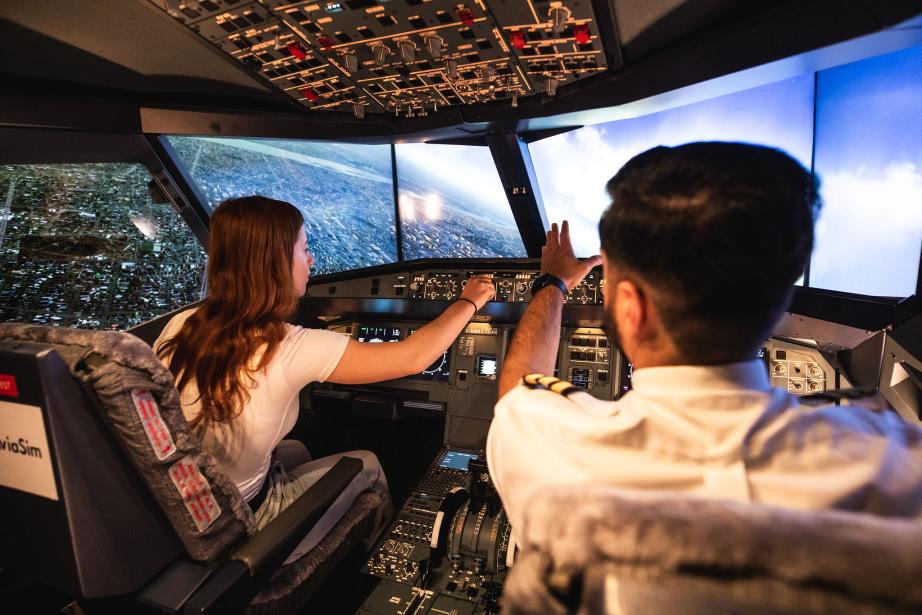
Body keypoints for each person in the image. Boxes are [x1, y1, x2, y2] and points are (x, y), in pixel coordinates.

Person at [488, 142, 922, 533]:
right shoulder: (895, 468)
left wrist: (555, 283)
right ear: (778, 302)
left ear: (632, 308)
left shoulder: (553, 451)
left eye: (608, 282)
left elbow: (516, 394)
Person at [155, 195, 495, 561]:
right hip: (242, 525)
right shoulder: (285, 346)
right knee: (367, 464)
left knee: (298, 450)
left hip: (183, 508)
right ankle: (372, 564)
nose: (311, 260)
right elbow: (414, 356)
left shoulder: (181, 324)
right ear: (274, 264)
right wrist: (469, 302)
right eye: (304, 249)